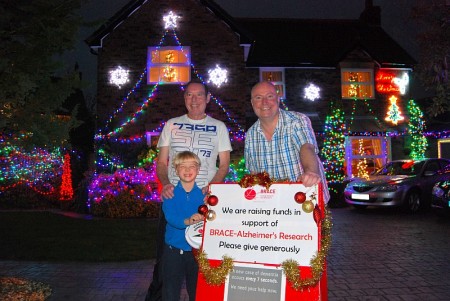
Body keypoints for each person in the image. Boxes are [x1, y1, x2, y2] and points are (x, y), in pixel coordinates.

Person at [145, 80, 232, 300]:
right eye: (189, 95)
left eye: (199, 95)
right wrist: (165, 183)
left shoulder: (219, 127)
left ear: (208, 99)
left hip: (204, 201)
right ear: (184, 99)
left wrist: (213, 187)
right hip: (175, 199)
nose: (194, 100)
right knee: (165, 261)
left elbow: (224, 165)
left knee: (203, 261)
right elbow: (162, 162)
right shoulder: (172, 125)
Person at [244, 81, 330, 203]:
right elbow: (254, 174)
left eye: (270, 96)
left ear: (278, 99)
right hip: (276, 208)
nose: (264, 102)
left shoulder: (297, 121)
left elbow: (306, 147)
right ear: (252, 103)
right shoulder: (250, 135)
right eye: (258, 98)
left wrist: (310, 172)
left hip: (307, 202)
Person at [161, 151, 205, 301]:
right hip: (174, 251)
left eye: (192, 166)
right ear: (176, 169)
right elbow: (171, 217)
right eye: (182, 166)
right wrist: (188, 221)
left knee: (197, 290)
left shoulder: (204, 196)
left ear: (198, 170)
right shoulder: (170, 193)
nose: (187, 170)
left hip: (196, 252)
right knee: (171, 290)